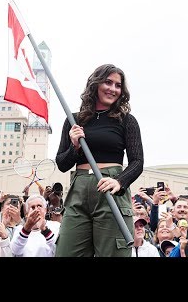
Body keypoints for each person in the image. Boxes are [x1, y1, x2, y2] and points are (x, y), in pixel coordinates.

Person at [55, 64, 144, 257]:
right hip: (78, 191)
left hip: (111, 191)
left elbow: (137, 162)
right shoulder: (73, 120)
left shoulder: (127, 121)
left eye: (118, 85)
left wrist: (119, 181)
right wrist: (75, 147)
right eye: (108, 82)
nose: (113, 89)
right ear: (95, 84)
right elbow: (62, 164)